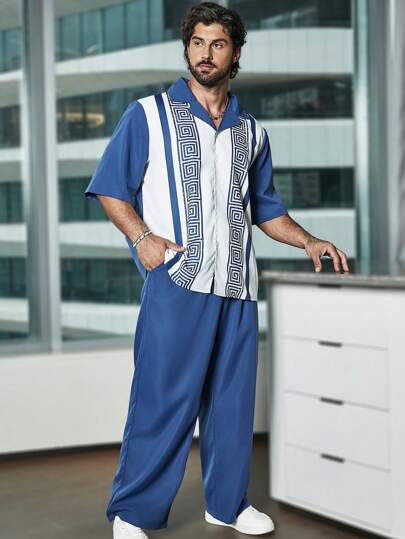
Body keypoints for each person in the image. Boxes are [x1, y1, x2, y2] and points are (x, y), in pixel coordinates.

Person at [84, 3, 350, 538]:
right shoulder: (148, 114)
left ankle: (227, 505)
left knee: (232, 405)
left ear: (235, 52)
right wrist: (142, 238)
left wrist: (309, 240)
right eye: (198, 43)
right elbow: (111, 187)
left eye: (218, 44)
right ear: (188, 48)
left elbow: (266, 210)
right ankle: (133, 512)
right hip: (177, 282)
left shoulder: (252, 131)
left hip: (237, 286)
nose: (206, 54)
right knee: (162, 400)